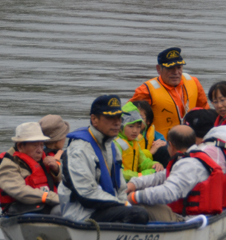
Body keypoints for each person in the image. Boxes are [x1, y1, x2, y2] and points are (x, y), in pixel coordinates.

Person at [59, 95, 178, 224]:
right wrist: (124, 204)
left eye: (119, 118)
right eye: (110, 118)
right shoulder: (79, 150)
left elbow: (120, 188)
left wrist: (126, 201)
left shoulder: (111, 146)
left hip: (107, 206)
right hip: (83, 214)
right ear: (94, 119)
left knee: (155, 209)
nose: (117, 123)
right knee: (139, 213)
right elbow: (86, 194)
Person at [126, 125, 226, 216]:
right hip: (186, 213)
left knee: (137, 206)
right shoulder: (189, 158)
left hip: (188, 218)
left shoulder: (189, 165)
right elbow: (160, 176)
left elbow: (169, 192)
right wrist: (134, 183)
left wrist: (136, 196)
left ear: (171, 145)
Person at [129, 47, 209, 139]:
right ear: (159, 69)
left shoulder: (194, 82)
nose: (175, 72)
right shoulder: (146, 90)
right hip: (162, 145)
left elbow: (205, 113)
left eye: (179, 67)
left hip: (191, 142)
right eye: (170, 68)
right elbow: (129, 117)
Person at [0, 122, 61, 215]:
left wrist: (57, 170)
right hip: (22, 211)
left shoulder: (45, 160)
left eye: (41, 145)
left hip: (47, 205)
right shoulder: (7, 166)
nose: (40, 150)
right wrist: (52, 197)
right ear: (20, 146)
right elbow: (20, 192)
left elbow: (67, 182)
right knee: (61, 210)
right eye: (35, 145)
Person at [114, 102, 164, 182]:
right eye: (131, 126)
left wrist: (155, 165)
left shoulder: (135, 143)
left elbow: (144, 163)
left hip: (133, 181)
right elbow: (119, 172)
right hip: (119, 184)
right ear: (121, 126)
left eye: (138, 127)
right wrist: (141, 175)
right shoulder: (115, 144)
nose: (135, 131)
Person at [131, 99, 169, 165]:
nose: (135, 120)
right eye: (132, 116)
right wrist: (151, 151)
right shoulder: (122, 136)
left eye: (140, 117)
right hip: (131, 169)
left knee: (164, 148)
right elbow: (130, 159)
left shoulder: (155, 135)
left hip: (147, 165)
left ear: (148, 121)